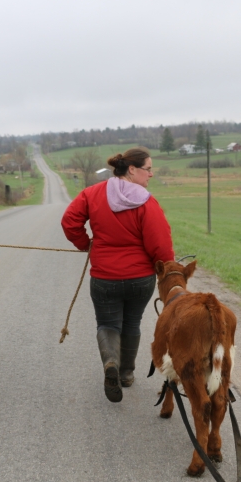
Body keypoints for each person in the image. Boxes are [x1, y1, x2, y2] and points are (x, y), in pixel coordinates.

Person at [61, 147, 175, 402]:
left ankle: (110, 362)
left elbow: (69, 221)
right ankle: (126, 374)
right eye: (148, 169)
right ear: (132, 169)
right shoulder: (147, 202)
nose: (151, 174)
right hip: (140, 279)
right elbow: (160, 245)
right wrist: (167, 272)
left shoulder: (92, 193)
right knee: (132, 323)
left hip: (105, 278)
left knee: (108, 324)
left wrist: (85, 244)